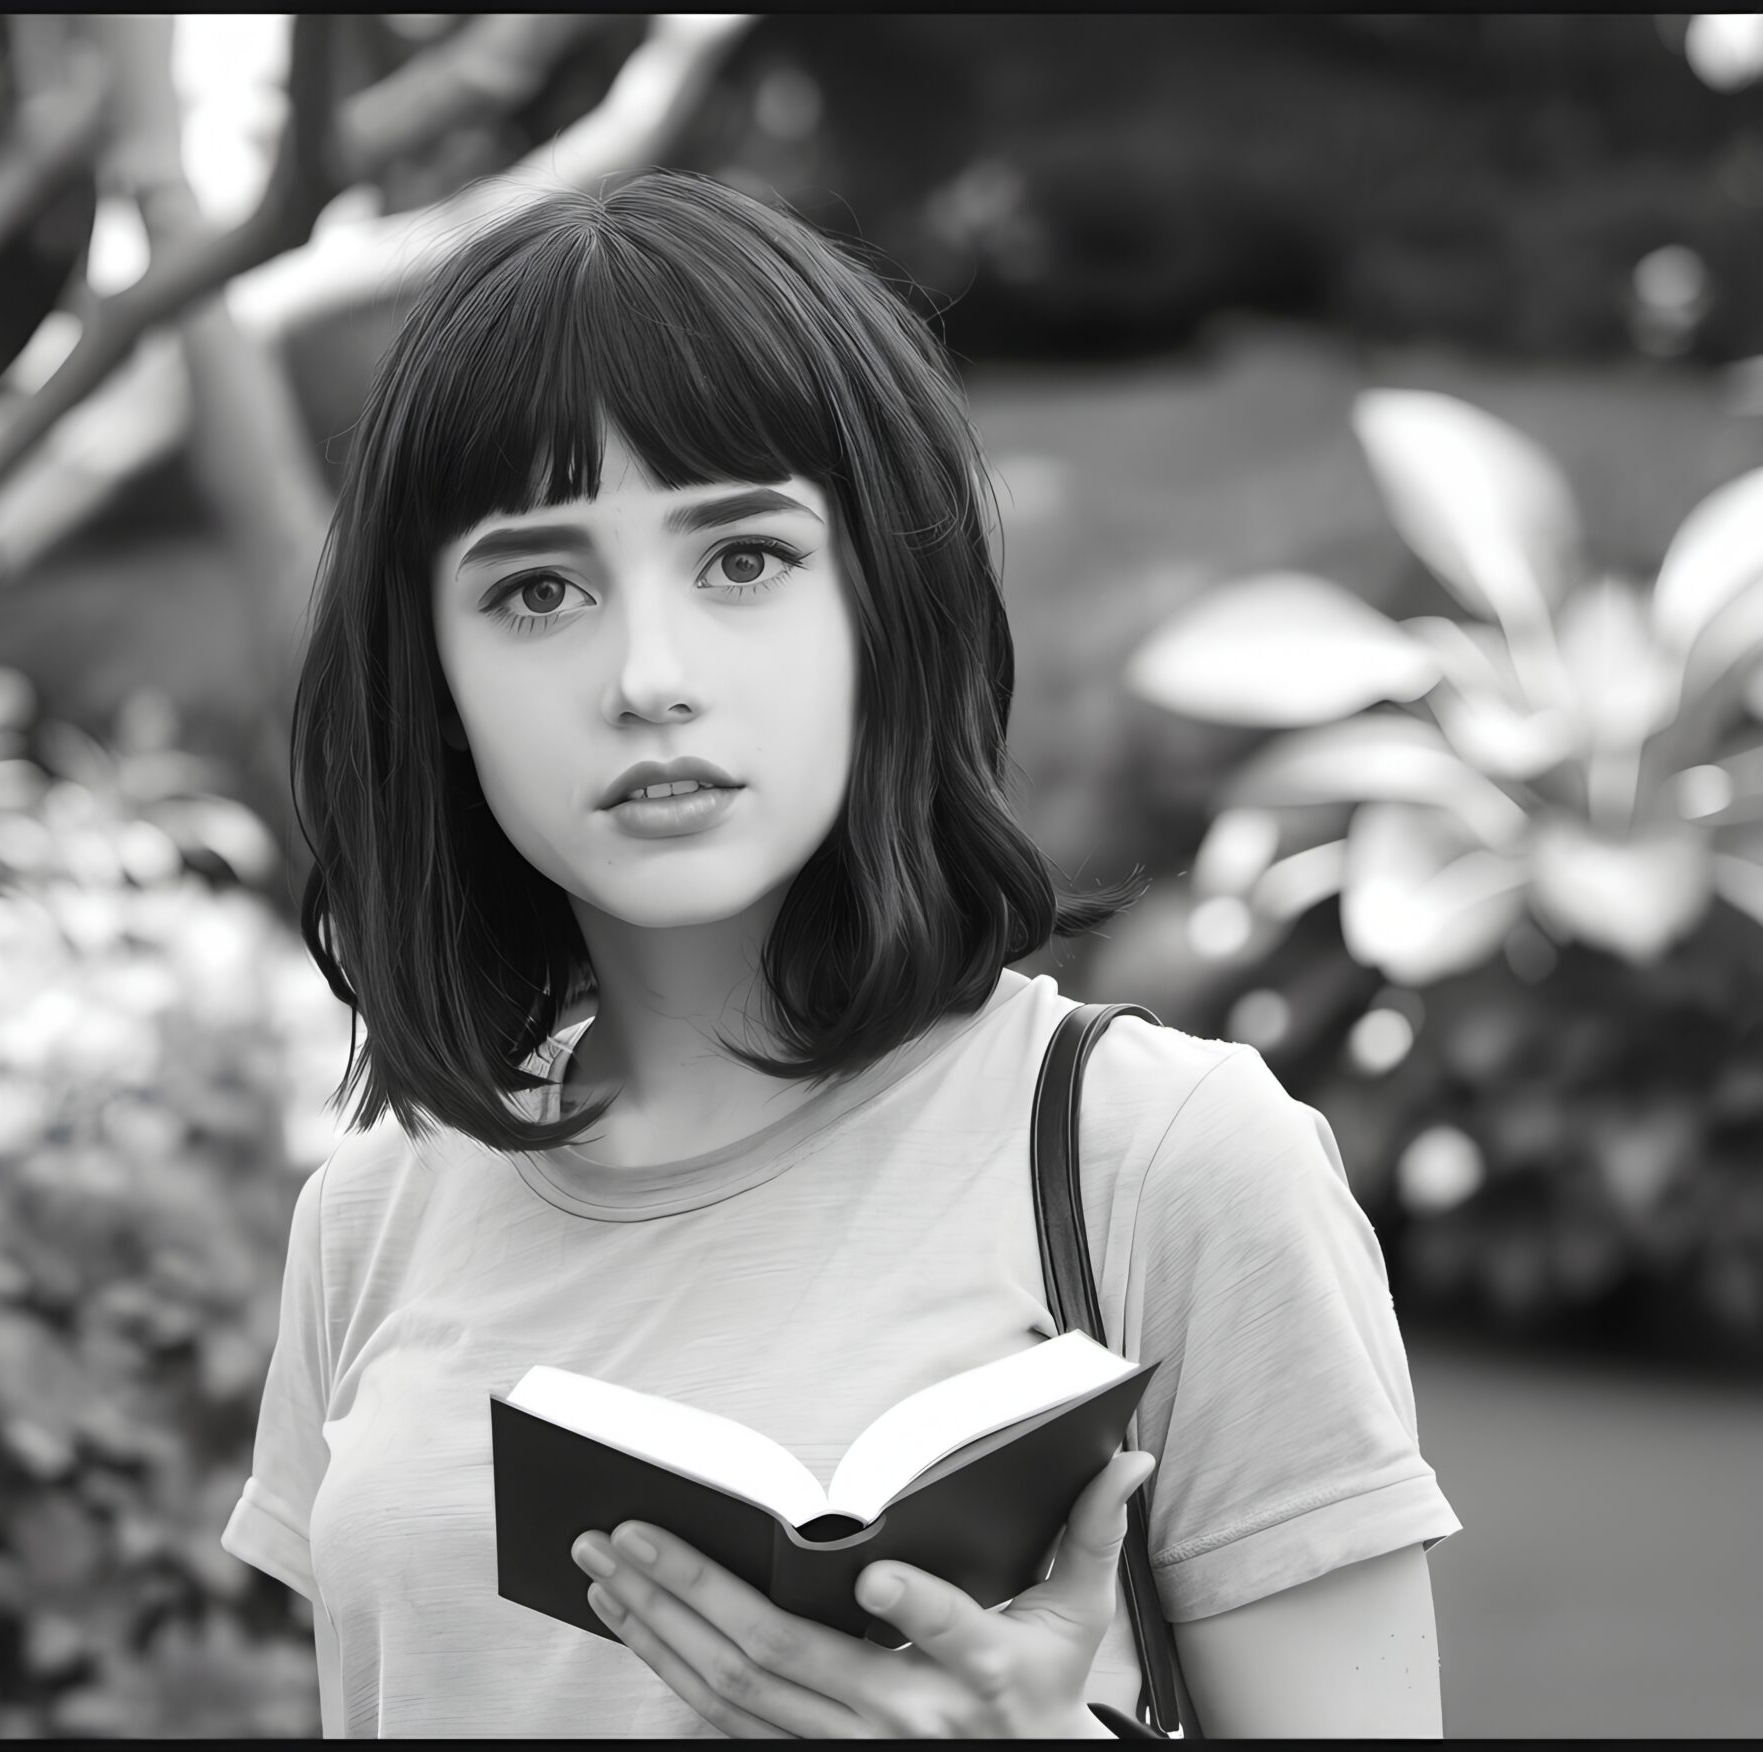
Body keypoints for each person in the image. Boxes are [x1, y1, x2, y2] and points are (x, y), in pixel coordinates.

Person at [223, 168, 1457, 1738]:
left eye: (741, 558)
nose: (649, 676)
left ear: (887, 601)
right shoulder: (375, 1212)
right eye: (537, 590)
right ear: (437, 682)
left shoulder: (1170, 1165)